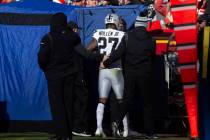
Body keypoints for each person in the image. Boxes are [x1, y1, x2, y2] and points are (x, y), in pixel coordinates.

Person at [38, 12, 104, 140]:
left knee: (57, 106)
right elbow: (85, 53)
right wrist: (101, 57)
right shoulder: (72, 37)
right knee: (68, 105)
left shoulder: (48, 38)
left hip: (54, 77)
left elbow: (42, 58)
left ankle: (61, 135)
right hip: (70, 76)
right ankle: (68, 134)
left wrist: (47, 70)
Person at [101, 12, 158, 139]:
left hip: (130, 73)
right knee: (147, 103)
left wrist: (105, 62)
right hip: (145, 74)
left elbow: (117, 53)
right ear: (146, 24)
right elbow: (153, 58)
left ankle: (116, 121)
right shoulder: (151, 39)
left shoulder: (127, 37)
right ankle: (149, 132)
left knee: (126, 101)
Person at [86, 13, 128, 137]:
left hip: (102, 70)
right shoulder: (121, 34)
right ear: (115, 22)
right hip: (116, 69)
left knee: (101, 100)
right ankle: (125, 130)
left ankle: (98, 128)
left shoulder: (98, 33)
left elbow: (88, 49)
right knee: (121, 101)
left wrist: (99, 58)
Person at [66, 21, 91, 137]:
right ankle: (79, 128)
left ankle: (72, 127)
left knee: (73, 102)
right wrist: (99, 56)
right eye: (77, 29)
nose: (78, 31)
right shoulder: (74, 39)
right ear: (74, 29)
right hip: (77, 76)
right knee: (82, 101)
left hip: (68, 76)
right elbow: (85, 54)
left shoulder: (64, 39)